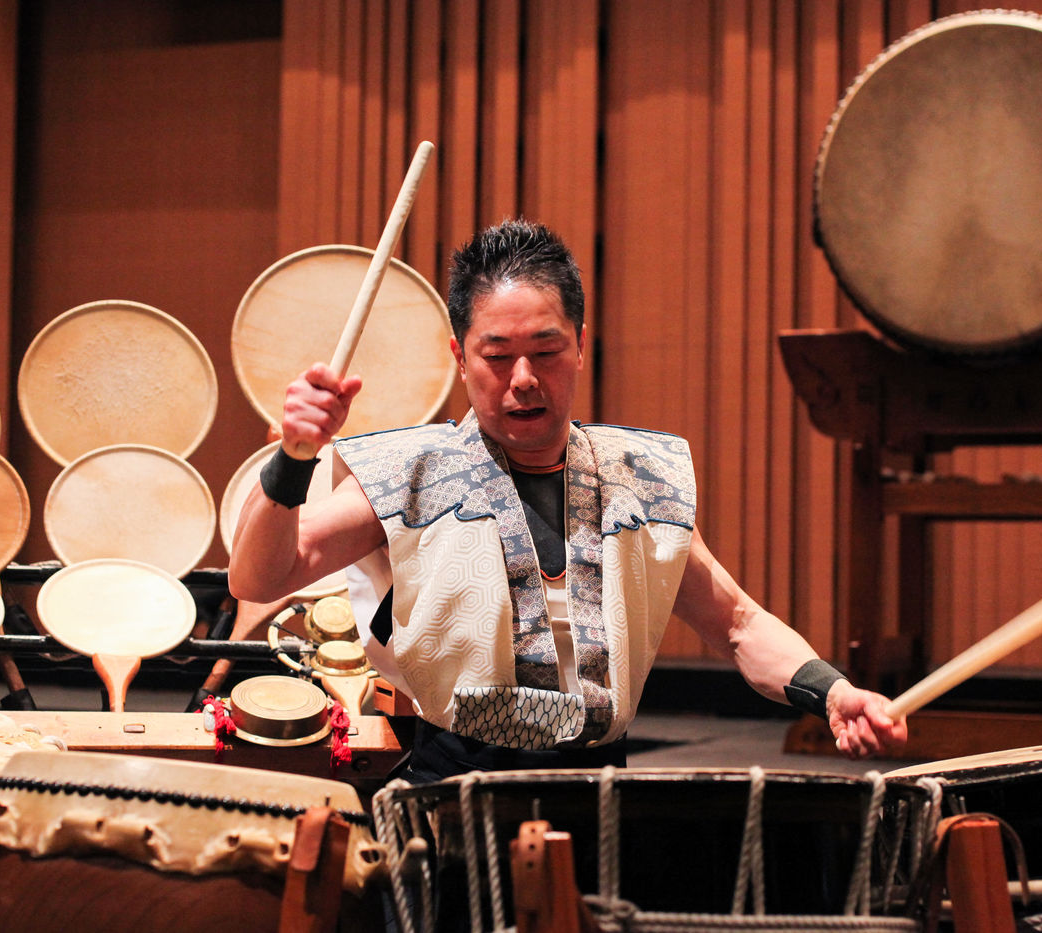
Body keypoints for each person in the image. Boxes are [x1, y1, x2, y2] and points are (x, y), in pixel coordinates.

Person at [228, 218, 906, 782]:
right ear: (460, 357)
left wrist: (834, 691)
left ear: (580, 346)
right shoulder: (410, 472)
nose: (523, 379)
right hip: (452, 784)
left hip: (599, 787)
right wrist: (296, 456)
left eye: (546, 351)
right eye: (497, 356)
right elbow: (259, 576)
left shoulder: (640, 479)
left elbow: (738, 626)